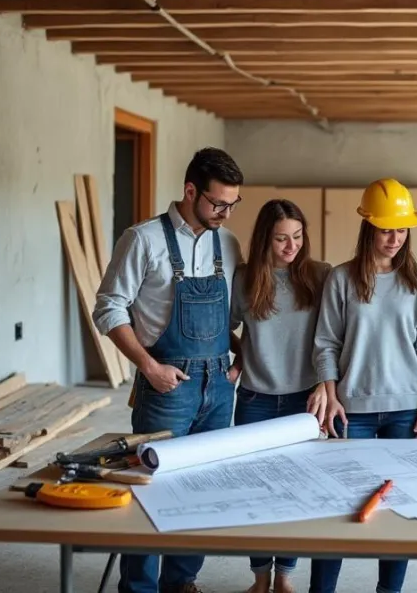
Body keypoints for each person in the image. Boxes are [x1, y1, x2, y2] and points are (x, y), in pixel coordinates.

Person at [93, 147, 245, 593]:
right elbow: (108, 308)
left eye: (232, 205)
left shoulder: (228, 243)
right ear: (190, 191)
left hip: (219, 385)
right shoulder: (143, 239)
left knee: (200, 489)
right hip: (166, 385)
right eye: (218, 203)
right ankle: (139, 588)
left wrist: (239, 361)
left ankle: (183, 582)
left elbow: (233, 318)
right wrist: (148, 366)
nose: (225, 213)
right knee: (150, 488)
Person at [308, 178, 417, 593]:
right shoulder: (342, 279)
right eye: (387, 229)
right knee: (338, 508)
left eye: (402, 230)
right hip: (352, 412)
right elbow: (325, 344)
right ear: (369, 227)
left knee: (395, 511)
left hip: (405, 409)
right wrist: (330, 394)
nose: (395, 238)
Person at [229, 199, 331, 593]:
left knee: (297, 492)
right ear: (264, 241)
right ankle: (259, 578)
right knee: (254, 492)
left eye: (298, 237)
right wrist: (242, 357)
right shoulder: (244, 278)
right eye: (281, 239)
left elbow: (334, 336)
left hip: (304, 400)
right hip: (254, 398)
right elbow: (226, 326)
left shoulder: (320, 275)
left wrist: (326, 383)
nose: (291, 247)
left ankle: (285, 576)